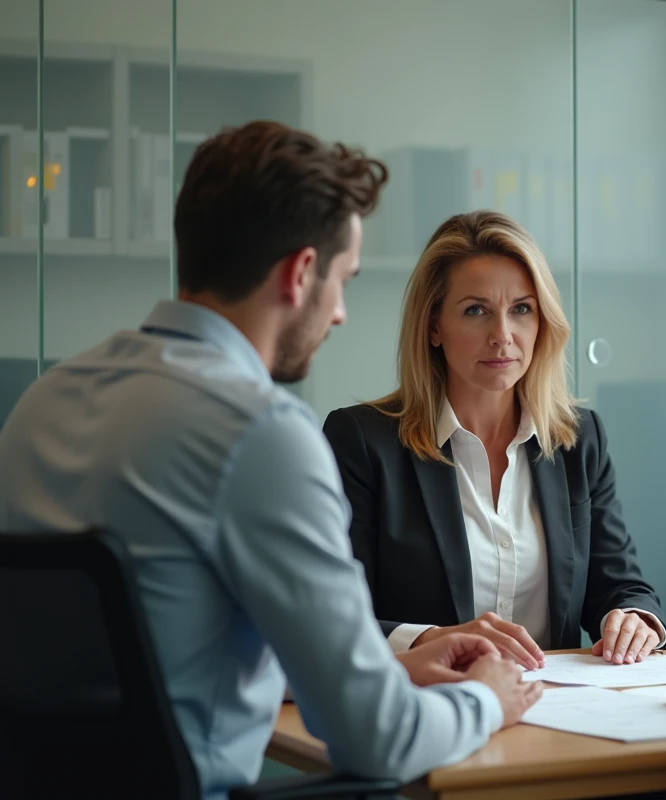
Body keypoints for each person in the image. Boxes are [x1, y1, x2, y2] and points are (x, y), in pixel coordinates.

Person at [0, 121, 541, 800]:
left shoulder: (43, 402)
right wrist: (489, 698)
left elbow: (150, 665)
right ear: (301, 273)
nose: (340, 313)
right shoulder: (259, 433)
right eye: (343, 280)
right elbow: (380, 740)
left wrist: (389, 665)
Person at [323, 210, 666, 669]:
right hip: (433, 707)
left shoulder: (578, 440)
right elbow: (335, 613)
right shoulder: (362, 442)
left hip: (561, 714)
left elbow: (620, 585)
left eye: (521, 309)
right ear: (433, 327)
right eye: (476, 311)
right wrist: (435, 639)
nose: (502, 336)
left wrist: (633, 619)